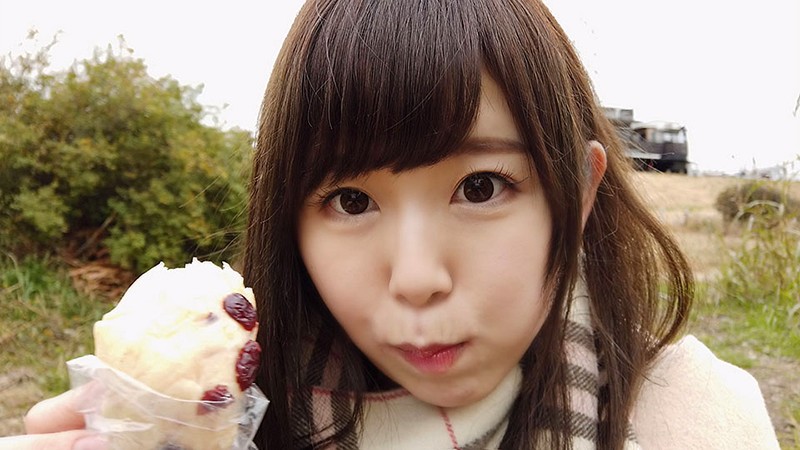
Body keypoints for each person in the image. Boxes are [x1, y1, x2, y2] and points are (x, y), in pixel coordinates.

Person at [1, 0, 779, 448]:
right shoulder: (216, 415)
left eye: (480, 187)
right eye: (350, 201)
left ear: (576, 196)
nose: (415, 279)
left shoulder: (697, 421)